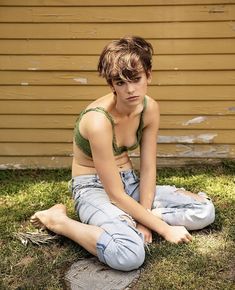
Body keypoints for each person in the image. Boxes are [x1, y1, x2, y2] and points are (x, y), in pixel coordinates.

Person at [30, 36, 215, 271]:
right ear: (111, 85)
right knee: (129, 254)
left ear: (149, 74)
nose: (130, 89)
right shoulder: (97, 121)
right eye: (120, 82)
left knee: (204, 210)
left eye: (136, 79)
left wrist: (145, 220)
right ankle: (59, 221)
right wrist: (165, 229)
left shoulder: (150, 109)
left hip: (130, 182)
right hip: (94, 189)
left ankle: (129, 220)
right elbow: (115, 194)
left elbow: (147, 168)